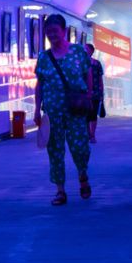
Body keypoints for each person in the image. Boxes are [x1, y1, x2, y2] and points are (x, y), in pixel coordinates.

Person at [33, 14, 93, 205]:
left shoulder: (78, 52)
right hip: (52, 112)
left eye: (55, 31)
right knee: (55, 149)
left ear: (64, 31)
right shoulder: (44, 57)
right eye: (48, 32)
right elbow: (40, 84)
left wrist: (89, 96)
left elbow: (88, 74)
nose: (52, 35)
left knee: (80, 146)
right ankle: (60, 190)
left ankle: (83, 175)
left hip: (76, 109)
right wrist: (36, 109)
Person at [84, 43, 105, 142]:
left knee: (93, 115)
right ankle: (89, 134)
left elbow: (100, 79)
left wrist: (102, 93)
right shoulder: (80, 63)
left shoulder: (96, 64)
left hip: (95, 93)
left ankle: (92, 134)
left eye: (86, 49)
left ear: (91, 51)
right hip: (83, 93)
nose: (84, 50)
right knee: (85, 115)